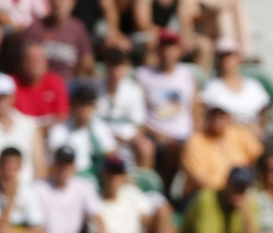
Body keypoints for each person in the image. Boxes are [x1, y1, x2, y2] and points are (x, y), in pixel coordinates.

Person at [137, 28, 198, 191]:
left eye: (171, 47)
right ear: (157, 50)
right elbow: (138, 113)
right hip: (154, 133)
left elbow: (195, 110)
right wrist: (156, 133)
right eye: (164, 47)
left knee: (184, 148)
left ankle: (171, 192)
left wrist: (196, 136)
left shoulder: (188, 75)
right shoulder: (144, 75)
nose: (167, 52)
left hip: (182, 136)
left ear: (179, 51)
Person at [35, 144, 111, 233]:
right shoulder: (39, 188)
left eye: (68, 164)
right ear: (54, 164)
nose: (64, 168)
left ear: (74, 166)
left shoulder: (82, 187)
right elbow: (34, 227)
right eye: (61, 163)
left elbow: (98, 217)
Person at [179, 94, 262, 196]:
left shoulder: (241, 134)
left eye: (221, 114)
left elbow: (260, 157)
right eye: (214, 114)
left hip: (238, 193)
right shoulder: (196, 141)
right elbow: (198, 178)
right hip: (204, 194)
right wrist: (225, 192)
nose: (217, 118)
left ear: (229, 117)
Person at [96, 48, 153, 170]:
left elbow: (139, 124)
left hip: (126, 137)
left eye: (119, 65)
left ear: (126, 67)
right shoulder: (95, 88)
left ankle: (142, 179)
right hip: (99, 136)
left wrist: (127, 138)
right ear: (106, 66)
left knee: (146, 147)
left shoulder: (134, 90)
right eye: (113, 65)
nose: (116, 70)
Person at [47, 84, 118, 178]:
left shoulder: (100, 127)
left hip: (94, 177)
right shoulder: (59, 130)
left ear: (94, 106)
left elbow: (111, 155)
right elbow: (53, 163)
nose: (84, 109)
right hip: (68, 178)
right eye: (81, 104)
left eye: (89, 104)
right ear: (73, 105)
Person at [199, 37, 268, 133]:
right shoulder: (211, 88)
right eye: (221, 56)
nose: (226, 59)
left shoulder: (254, 86)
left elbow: (263, 117)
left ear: (239, 57)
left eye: (229, 55)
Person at [23, 0, 94, 81]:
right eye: (57, 0)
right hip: (42, 83)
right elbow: (24, 60)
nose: (60, 4)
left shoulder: (78, 27)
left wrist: (75, 78)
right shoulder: (35, 28)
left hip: (70, 82)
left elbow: (87, 60)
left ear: (73, 3)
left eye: (64, 1)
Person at [11, 40, 70, 130]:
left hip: (49, 131)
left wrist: (39, 131)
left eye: (38, 58)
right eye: (28, 58)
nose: (34, 62)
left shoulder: (56, 82)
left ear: (46, 62)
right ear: (20, 62)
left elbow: (62, 116)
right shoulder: (10, 84)